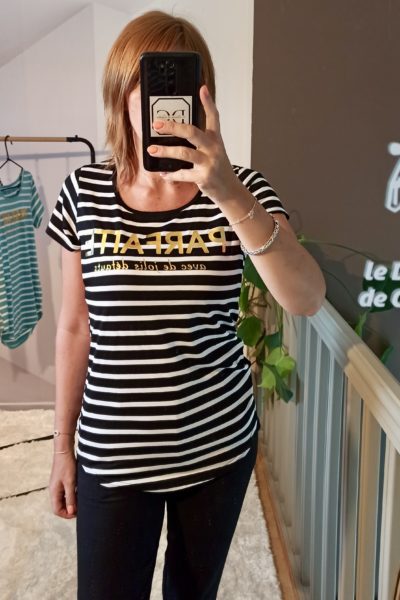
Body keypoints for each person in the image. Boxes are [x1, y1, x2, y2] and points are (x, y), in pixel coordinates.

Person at [46, 9, 326, 600]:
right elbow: (74, 328)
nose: (162, 106)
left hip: (216, 449)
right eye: (147, 83)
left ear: (203, 98)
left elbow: (305, 298)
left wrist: (226, 192)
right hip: (113, 454)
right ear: (121, 93)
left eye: (178, 86)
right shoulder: (84, 192)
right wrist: (62, 447)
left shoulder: (240, 190)